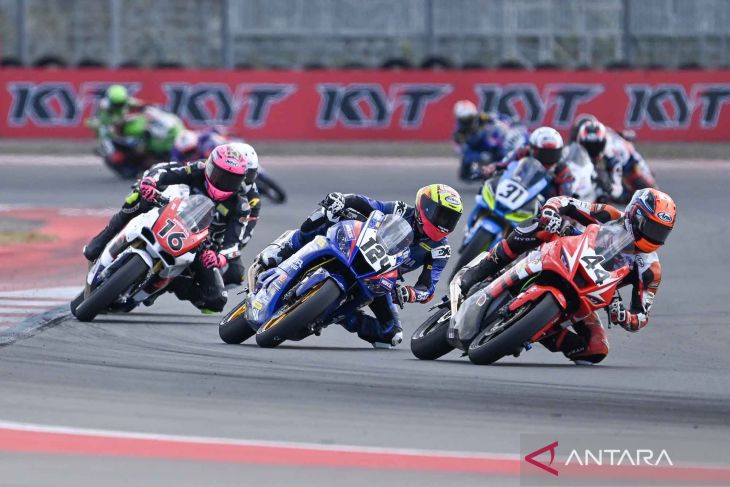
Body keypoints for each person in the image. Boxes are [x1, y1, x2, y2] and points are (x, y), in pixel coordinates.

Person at [458, 188, 676, 364]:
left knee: (596, 348)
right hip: (565, 252)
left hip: (589, 290)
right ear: (635, 215)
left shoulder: (650, 269)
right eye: (651, 227)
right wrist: (551, 211)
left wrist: (624, 316)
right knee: (542, 226)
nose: (653, 236)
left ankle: (529, 330)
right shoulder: (609, 215)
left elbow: (641, 317)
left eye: (660, 232)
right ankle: (481, 271)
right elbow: (565, 202)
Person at [257, 184, 464, 348]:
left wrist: (409, 293)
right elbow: (363, 202)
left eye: (451, 219)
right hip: (356, 247)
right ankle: (285, 248)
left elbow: (428, 288)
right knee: (327, 216)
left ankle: (334, 314)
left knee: (391, 334)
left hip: (380, 277)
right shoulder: (400, 210)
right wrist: (341, 200)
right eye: (442, 214)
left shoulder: (441, 249)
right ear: (425, 207)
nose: (445, 222)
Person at [83, 143, 260, 313]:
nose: (222, 182)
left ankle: (170, 282)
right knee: (139, 197)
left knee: (216, 300)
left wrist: (219, 257)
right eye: (218, 174)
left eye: (231, 179)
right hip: (171, 212)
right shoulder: (198, 168)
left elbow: (235, 242)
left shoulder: (242, 205)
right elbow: (166, 171)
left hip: (203, 243)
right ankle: (104, 238)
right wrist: (150, 182)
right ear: (209, 166)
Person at [572, 116, 656, 203]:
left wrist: (610, 187)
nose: (592, 149)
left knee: (646, 184)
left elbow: (617, 190)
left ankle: (651, 186)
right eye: (588, 145)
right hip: (606, 163)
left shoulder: (611, 153)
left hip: (627, 160)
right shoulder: (576, 148)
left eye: (596, 146)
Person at [486, 126, 574, 198]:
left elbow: (565, 199)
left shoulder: (563, 170)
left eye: (554, 153)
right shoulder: (523, 152)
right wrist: (490, 169)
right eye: (545, 153)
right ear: (533, 149)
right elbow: (503, 164)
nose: (549, 158)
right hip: (513, 191)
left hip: (541, 206)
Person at [452, 100, 527, 181]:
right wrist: (478, 156)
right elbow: (461, 149)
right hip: (477, 149)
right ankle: (478, 173)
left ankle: (512, 167)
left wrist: (507, 123)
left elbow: (498, 118)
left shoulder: (482, 117)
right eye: (465, 120)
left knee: (502, 150)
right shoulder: (459, 132)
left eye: (470, 118)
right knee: (468, 161)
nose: (468, 122)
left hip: (490, 143)